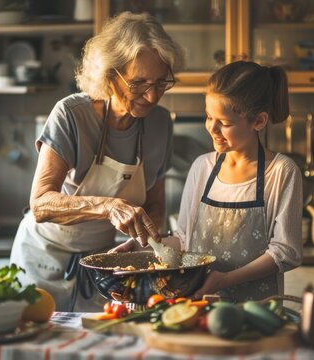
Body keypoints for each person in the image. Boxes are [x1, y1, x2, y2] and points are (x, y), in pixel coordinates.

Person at [10, 11, 185, 312]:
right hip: (42, 259)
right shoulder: (71, 115)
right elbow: (40, 204)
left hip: (102, 264)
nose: (154, 96)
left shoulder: (160, 124)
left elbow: (155, 207)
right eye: (139, 83)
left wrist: (145, 246)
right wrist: (107, 206)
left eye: (161, 82)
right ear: (110, 76)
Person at [114, 61, 303, 302]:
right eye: (208, 117)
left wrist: (225, 279)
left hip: (257, 309)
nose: (211, 128)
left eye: (224, 123)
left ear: (259, 121)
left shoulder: (281, 172)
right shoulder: (202, 167)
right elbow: (184, 239)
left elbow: (286, 252)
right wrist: (142, 246)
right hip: (199, 306)